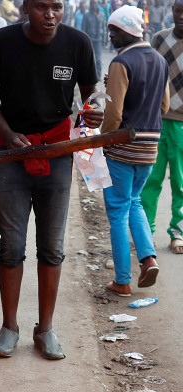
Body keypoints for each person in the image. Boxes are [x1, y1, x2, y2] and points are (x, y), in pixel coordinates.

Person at [0, 0, 104, 360]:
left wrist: (92, 111)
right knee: (11, 246)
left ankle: (45, 329)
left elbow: (91, 94)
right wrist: (5, 131)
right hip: (12, 155)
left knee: (51, 247)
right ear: (25, 8)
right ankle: (9, 327)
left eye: (57, 7)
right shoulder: (0, 42)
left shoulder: (77, 43)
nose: (50, 15)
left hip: (58, 153)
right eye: (41, 7)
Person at [101, 6, 169, 296]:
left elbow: (114, 114)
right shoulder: (159, 60)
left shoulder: (122, 62)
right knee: (135, 202)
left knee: (117, 210)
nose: (110, 36)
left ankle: (123, 280)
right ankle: (148, 258)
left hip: (123, 149)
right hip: (150, 148)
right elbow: (163, 107)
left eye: (113, 31)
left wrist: (101, 139)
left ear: (126, 31)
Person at [141, 0, 183, 254]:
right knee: (151, 180)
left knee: (181, 182)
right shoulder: (159, 39)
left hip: (182, 126)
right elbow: (145, 70)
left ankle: (178, 233)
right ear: (172, 12)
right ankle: (144, 234)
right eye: (178, 11)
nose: (181, 17)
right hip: (155, 121)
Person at [83, 0, 106, 75]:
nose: (94, 5)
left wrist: (104, 40)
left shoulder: (102, 15)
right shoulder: (86, 15)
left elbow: (104, 28)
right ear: (90, 4)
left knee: (98, 59)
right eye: (92, 3)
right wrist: (84, 40)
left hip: (99, 39)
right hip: (89, 39)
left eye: (95, 3)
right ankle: (88, 75)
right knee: (88, 58)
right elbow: (84, 28)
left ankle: (98, 75)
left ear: (97, 4)